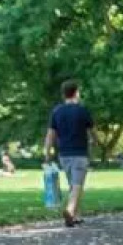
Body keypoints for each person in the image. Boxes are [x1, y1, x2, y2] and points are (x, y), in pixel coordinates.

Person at [44, 79, 94, 227]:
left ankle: (76, 216)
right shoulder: (82, 110)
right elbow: (92, 131)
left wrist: (47, 152)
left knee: (73, 185)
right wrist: (96, 142)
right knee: (77, 184)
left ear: (63, 94)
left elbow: (50, 135)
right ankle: (70, 210)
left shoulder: (57, 111)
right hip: (79, 153)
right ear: (76, 92)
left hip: (63, 155)